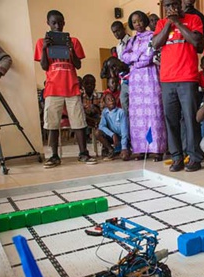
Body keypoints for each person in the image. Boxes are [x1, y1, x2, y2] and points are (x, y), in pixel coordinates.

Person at [34, 10, 96, 168]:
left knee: (79, 121)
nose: (57, 26)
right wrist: (44, 49)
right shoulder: (42, 42)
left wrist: (71, 50)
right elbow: (44, 66)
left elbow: (78, 65)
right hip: (52, 88)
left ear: (64, 23)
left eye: (60, 22)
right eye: (54, 23)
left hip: (72, 87)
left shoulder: (73, 41)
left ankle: (83, 153)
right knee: (52, 123)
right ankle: (54, 156)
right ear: (48, 23)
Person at [152, 0, 204, 172]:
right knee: (171, 120)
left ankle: (195, 157)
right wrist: (168, 23)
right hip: (167, 79)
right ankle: (177, 157)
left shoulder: (194, 19)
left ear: (181, 4)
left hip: (188, 78)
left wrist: (177, 23)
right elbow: (155, 44)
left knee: (190, 119)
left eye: (173, 4)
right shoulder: (160, 23)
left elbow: (196, 43)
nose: (170, 8)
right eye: (166, 6)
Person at [122, 11, 167, 162]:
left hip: (150, 77)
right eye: (135, 22)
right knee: (137, 115)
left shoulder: (152, 36)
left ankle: (157, 149)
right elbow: (124, 56)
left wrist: (135, 61)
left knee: (153, 112)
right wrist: (135, 59)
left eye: (140, 21)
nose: (138, 24)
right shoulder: (132, 40)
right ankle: (140, 149)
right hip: (136, 81)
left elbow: (149, 56)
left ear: (145, 21)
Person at [96, 92, 130, 161]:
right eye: (108, 100)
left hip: (121, 138)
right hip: (112, 138)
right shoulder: (105, 112)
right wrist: (112, 134)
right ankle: (111, 150)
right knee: (97, 133)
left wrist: (124, 147)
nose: (111, 100)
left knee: (124, 157)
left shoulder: (121, 112)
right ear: (105, 104)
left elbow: (124, 132)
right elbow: (101, 126)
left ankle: (123, 149)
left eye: (112, 99)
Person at [110, 21, 131, 118]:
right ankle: (128, 128)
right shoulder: (118, 46)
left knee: (134, 104)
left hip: (132, 77)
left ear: (123, 29)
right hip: (123, 79)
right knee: (124, 103)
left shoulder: (132, 41)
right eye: (114, 32)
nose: (116, 34)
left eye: (118, 31)